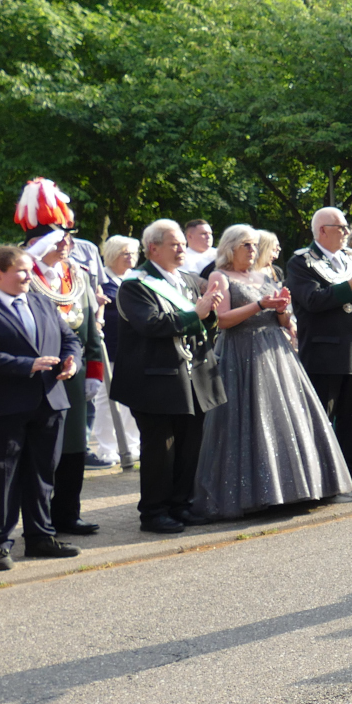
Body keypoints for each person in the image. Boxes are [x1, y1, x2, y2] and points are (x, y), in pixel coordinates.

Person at [188, 225, 352, 515]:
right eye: (246, 245)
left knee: (286, 418)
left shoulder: (265, 275)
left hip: (276, 352)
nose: (253, 250)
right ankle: (254, 493)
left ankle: (298, 488)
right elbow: (222, 320)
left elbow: (283, 320)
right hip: (240, 353)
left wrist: (280, 310)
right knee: (249, 419)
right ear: (230, 248)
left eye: (254, 245)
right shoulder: (219, 276)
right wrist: (260, 304)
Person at [0, 245, 84, 569]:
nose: (29, 276)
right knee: (0, 478)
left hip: (48, 400)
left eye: (30, 270)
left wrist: (71, 362)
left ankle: (41, 537)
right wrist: (26, 365)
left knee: (42, 473)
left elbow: (70, 339)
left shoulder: (42, 301)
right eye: (22, 271)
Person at [114, 220, 227, 532]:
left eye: (182, 244)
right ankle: (153, 512)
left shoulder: (187, 280)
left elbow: (201, 324)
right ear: (153, 248)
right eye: (174, 244)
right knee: (160, 450)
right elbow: (150, 324)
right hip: (154, 380)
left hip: (192, 376)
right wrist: (196, 313)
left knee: (190, 446)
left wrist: (209, 313)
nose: (181, 250)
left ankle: (181, 504)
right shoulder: (135, 285)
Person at [22, 217, 106, 538]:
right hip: (38, 376)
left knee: (74, 448)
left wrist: (93, 371)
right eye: (59, 240)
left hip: (74, 372)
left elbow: (90, 331)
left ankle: (68, 513)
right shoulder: (24, 275)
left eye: (68, 239)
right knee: (42, 452)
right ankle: (41, 521)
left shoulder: (78, 276)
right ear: (37, 244)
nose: (67, 245)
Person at [285, 207, 352, 482]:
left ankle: (349, 470)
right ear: (322, 230)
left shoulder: (349, 257)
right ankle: (321, 474)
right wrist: (351, 284)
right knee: (322, 415)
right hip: (325, 350)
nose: (346, 232)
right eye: (341, 227)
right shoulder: (301, 262)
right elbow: (312, 300)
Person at [94, 236, 142, 468]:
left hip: (134, 348)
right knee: (107, 399)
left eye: (133, 252)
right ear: (113, 254)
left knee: (133, 397)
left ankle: (132, 444)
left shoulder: (136, 279)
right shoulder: (100, 282)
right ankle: (107, 448)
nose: (131, 257)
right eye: (125, 253)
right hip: (110, 348)